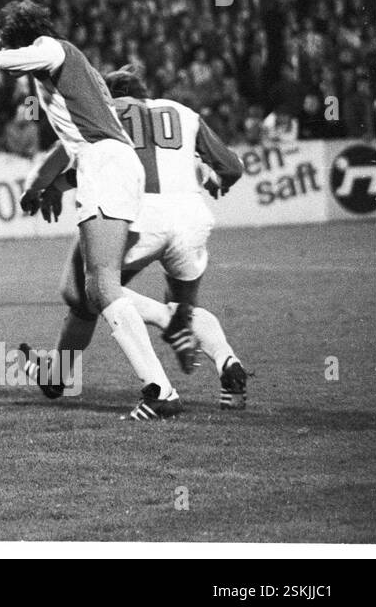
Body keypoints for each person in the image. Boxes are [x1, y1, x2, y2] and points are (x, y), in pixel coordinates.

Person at [0, 1, 181, 420]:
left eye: (5, 41)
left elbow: (39, 56)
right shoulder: (76, 80)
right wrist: (55, 185)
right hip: (103, 166)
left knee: (103, 284)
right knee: (81, 293)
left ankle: (161, 386)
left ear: (19, 38)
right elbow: (81, 138)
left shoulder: (54, 49)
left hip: (106, 166)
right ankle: (57, 375)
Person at [20, 66, 250, 409]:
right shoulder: (184, 113)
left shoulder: (103, 114)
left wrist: (42, 188)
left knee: (86, 292)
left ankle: (65, 374)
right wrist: (219, 181)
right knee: (183, 305)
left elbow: (68, 161)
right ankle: (227, 364)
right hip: (191, 218)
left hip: (133, 214)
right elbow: (231, 167)